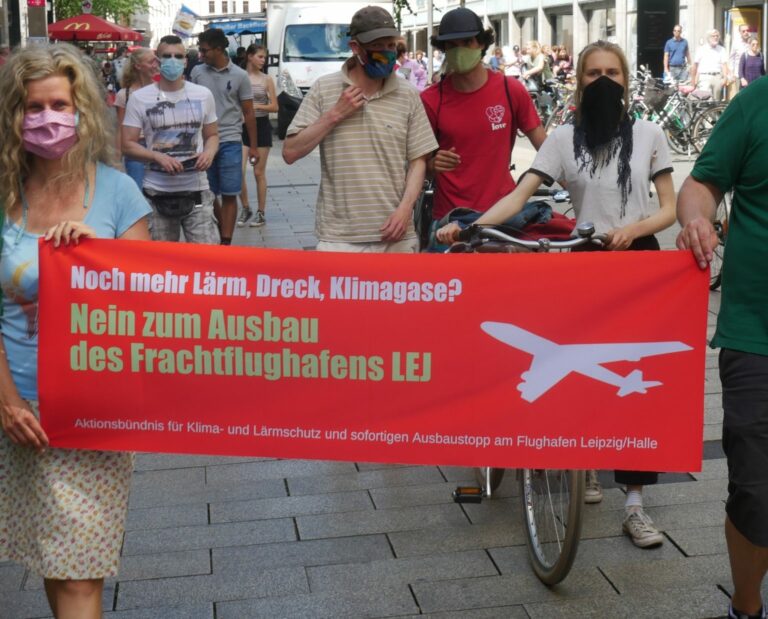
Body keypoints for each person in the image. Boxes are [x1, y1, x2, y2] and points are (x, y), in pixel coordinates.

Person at [438, 40, 676, 548]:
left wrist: (634, 231)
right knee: (576, 368)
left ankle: (635, 503)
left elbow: (670, 209)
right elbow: (520, 194)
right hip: (585, 262)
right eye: (593, 73)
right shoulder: (564, 139)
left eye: (612, 72)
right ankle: (583, 460)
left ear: (627, 80)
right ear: (579, 81)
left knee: (635, 378)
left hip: (639, 263)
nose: (603, 81)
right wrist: (469, 226)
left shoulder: (652, 134)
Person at [0, 43, 151, 619]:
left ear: (81, 110)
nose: (45, 119)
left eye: (57, 104)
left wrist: (96, 256)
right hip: (20, 408)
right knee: (50, 557)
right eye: (31, 107)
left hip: (94, 404)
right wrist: (8, 402)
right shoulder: (5, 196)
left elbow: (151, 304)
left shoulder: (117, 192)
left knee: (80, 572)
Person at [676, 64, 768, 619]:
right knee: (755, 490)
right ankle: (747, 606)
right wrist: (695, 220)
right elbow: (700, 184)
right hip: (756, 336)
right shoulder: (755, 104)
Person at [282, 5, 437, 253]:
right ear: (356, 48)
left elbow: (419, 160)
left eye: (391, 46)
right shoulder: (324, 89)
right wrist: (335, 114)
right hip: (340, 239)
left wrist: (406, 209)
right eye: (378, 46)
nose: (387, 53)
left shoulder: (407, 94)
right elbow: (290, 152)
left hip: (397, 236)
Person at [420, 7, 544, 242]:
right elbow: (416, 166)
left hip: (503, 218)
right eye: (451, 45)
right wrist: (432, 164)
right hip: (449, 222)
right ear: (443, 49)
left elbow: (548, 151)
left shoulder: (511, 90)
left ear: (482, 44)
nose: (460, 50)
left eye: (467, 42)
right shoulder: (431, 100)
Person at [122, 35, 221, 244]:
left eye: (178, 56)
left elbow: (212, 135)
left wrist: (209, 153)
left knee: (208, 262)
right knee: (162, 267)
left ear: (186, 61)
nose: (173, 61)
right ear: (158, 60)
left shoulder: (203, 95)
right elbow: (127, 144)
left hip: (197, 191)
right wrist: (156, 157)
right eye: (167, 56)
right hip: (157, 193)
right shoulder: (140, 98)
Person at [191, 28, 258, 245]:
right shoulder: (197, 73)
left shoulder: (240, 76)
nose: (201, 54)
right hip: (203, 142)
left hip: (230, 140)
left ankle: (226, 242)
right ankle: (222, 228)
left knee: (230, 192)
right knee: (207, 193)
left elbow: (249, 112)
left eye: (205, 50)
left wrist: (254, 146)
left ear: (219, 49)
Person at [237, 44, 277, 228]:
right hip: (242, 127)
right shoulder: (239, 76)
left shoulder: (267, 79)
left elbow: (275, 107)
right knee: (238, 171)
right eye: (260, 56)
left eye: (264, 57)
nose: (263, 60)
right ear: (250, 56)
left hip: (261, 126)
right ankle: (246, 208)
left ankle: (261, 213)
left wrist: (257, 107)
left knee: (258, 171)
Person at [114, 47, 160, 188]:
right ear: (138, 66)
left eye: (156, 61)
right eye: (151, 62)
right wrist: (116, 160)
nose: (155, 65)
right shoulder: (125, 94)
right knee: (137, 191)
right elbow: (121, 128)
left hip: (160, 145)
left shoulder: (162, 89)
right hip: (136, 149)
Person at [691, 30, 729, 101]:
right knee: (706, 100)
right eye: (713, 36)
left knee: (716, 101)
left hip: (717, 77)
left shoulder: (722, 49)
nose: (715, 37)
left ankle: (714, 112)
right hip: (704, 77)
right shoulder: (701, 49)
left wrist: (725, 78)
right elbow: (695, 65)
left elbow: (724, 65)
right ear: (708, 38)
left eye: (717, 36)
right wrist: (693, 80)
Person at [729, 23, 752, 98]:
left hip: (751, 73)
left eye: (747, 30)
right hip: (739, 75)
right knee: (740, 95)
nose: (746, 32)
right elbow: (731, 58)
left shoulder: (753, 42)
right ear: (740, 32)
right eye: (743, 31)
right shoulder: (736, 43)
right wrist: (731, 73)